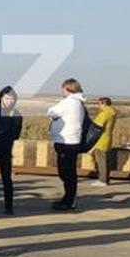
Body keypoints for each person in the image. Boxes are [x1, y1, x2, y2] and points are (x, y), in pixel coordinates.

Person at [47, 78, 86, 210]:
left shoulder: (70, 102)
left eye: (62, 89)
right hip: (70, 142)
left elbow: (51, 111)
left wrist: (54, 116)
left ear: (68, 88)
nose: (61, 91)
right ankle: (68, 198)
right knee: (68, 172)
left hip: (67, 142)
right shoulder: (77, 102)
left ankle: (69, 201)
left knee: (66, 173)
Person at [90, 97, 118, 187]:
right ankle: (105, 179)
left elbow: (97, 127)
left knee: (101, 160)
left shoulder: (105, 113)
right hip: (108, 137)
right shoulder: (112, 112)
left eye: (99, 104)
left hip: (101, 139)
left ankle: (102, 180)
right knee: (105, 160)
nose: (98, 106)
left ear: (104, 103)